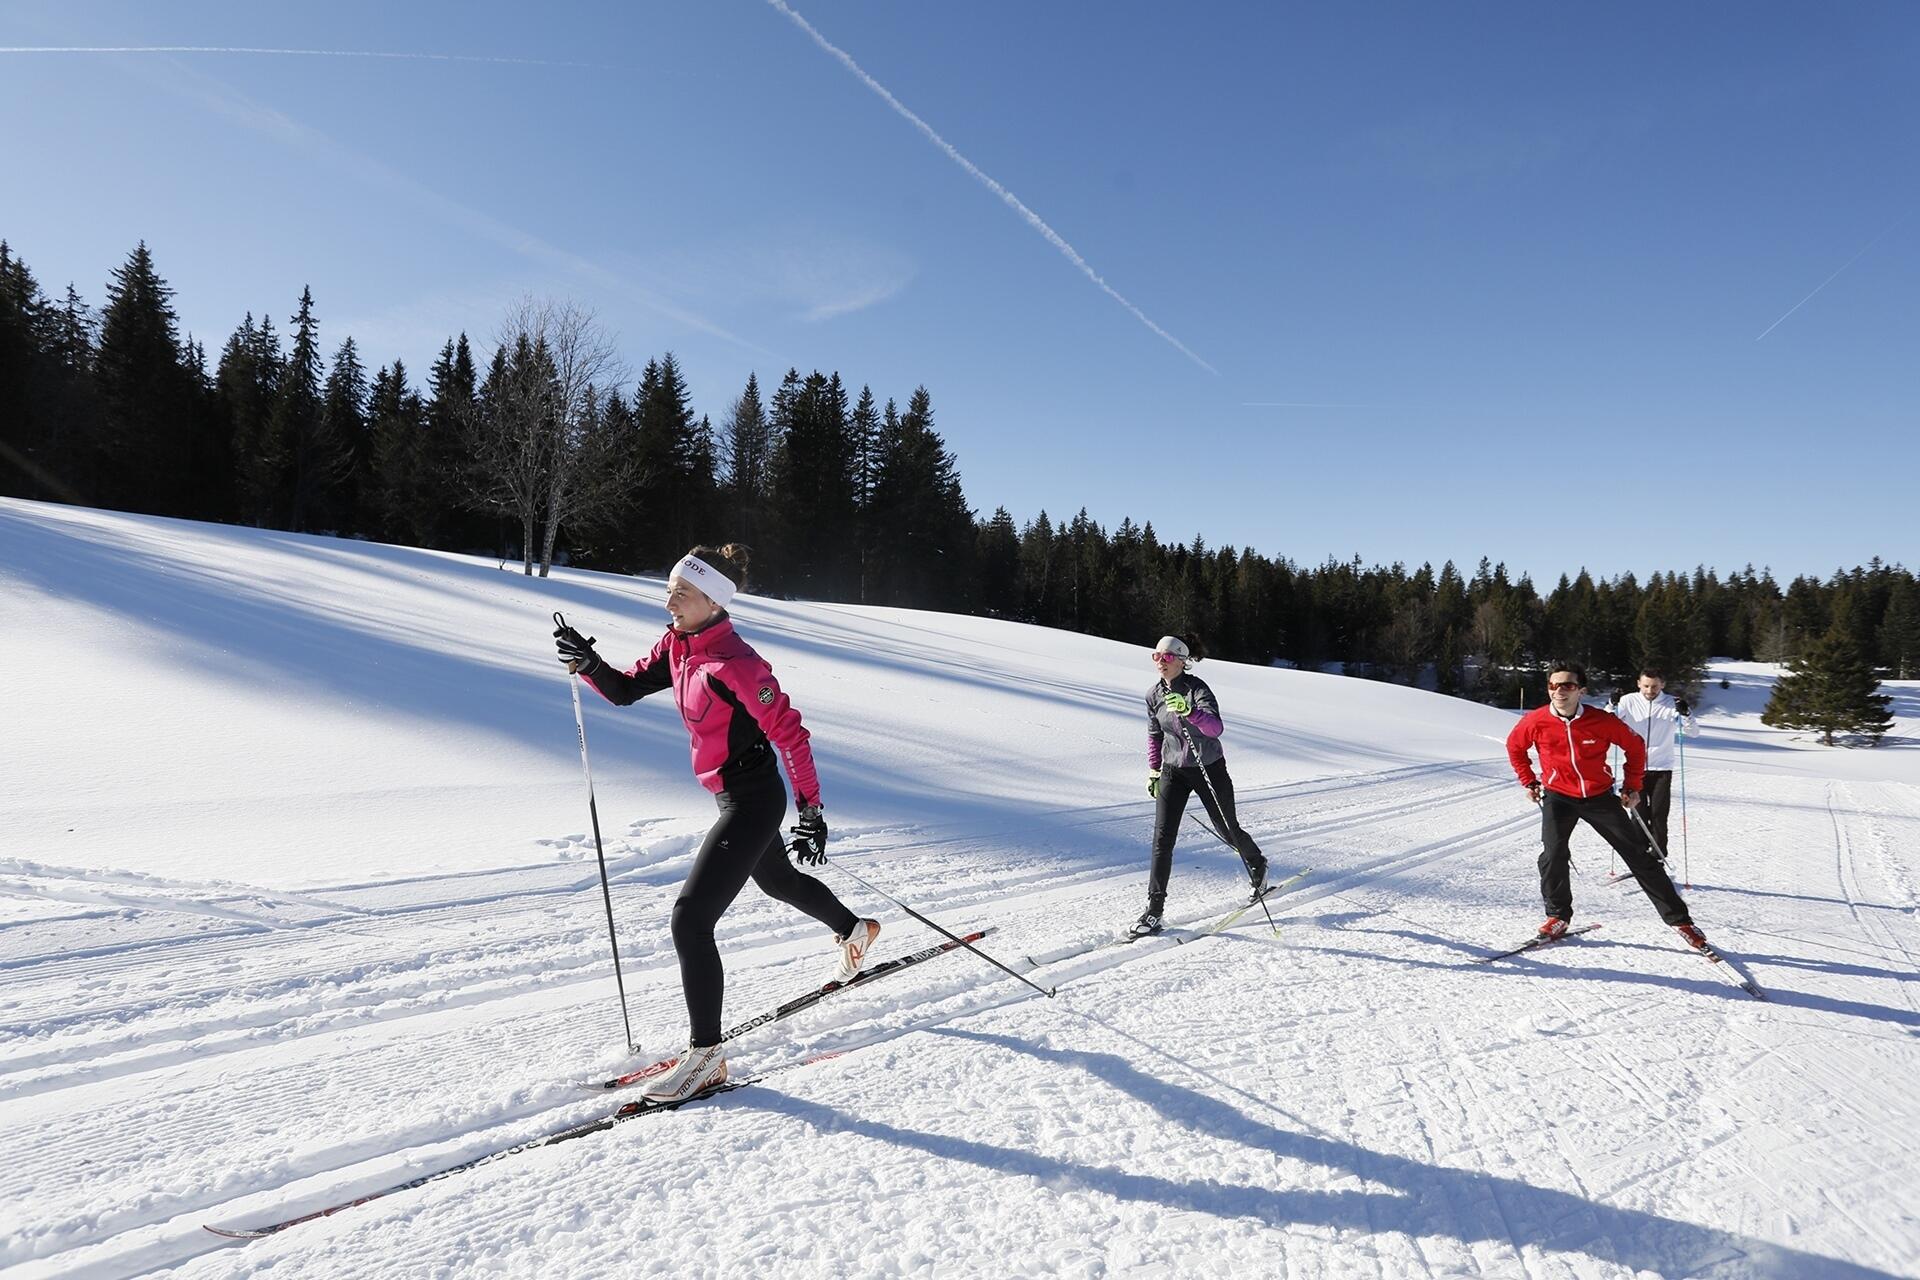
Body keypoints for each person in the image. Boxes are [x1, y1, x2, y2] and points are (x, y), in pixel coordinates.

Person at [553, 544, 879, 1103]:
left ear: (713, 600)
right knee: (778, 881)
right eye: (671, 588)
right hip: (730, 794)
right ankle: (855, 929)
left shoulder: (738, 664)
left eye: (683, 591)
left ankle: (707, 1056)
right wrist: (588, 664)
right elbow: (627, 688)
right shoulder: (678, 647)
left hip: (753, 799)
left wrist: (811, 811)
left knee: (690, 918)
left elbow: (791, 735)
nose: (670, 599)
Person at [1505, 663, 1708, 949]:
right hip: (1558, 796)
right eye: (1554, 685)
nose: (1559, 691)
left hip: (1598, 796)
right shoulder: (1536, 721)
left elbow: (1635, 746)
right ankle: (1558, 917)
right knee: (1553, 854)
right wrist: (1529, 781)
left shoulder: (1600, 720)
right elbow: (1514, 747)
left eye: (1568, 686)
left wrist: (1632, 785)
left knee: (1639, 855)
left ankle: (1680, 921)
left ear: (1582, 690)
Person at [1131, 634, 1270, 938]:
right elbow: (1155, 734)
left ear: (1182, 660)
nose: (1160, 662)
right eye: (1156, 656)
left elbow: (1215, 727)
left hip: (1207, 767)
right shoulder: (1153, 695)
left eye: (1167, 657)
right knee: (1162, 839)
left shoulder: (1198, 690)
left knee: (1227, 828)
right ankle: (1154, 910)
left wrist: (1189, 711)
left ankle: (1257, 863)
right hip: (1173, 771)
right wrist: (1154, 770)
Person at [1610, 667, 1698, 864]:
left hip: (1662, 768)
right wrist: (1611, 704)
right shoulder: (1628, 701)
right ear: (1638, 684)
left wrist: (1686, 714)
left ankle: (1658, 855)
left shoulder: (1671, 703)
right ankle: (1639, 855)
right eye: (1646, 686)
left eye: (1655, 686)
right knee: (1637, 813)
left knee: (1659, 814)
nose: (1650, 690)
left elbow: (1693, 732)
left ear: (1663, 685)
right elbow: (1609, 722)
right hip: (1635, 767)